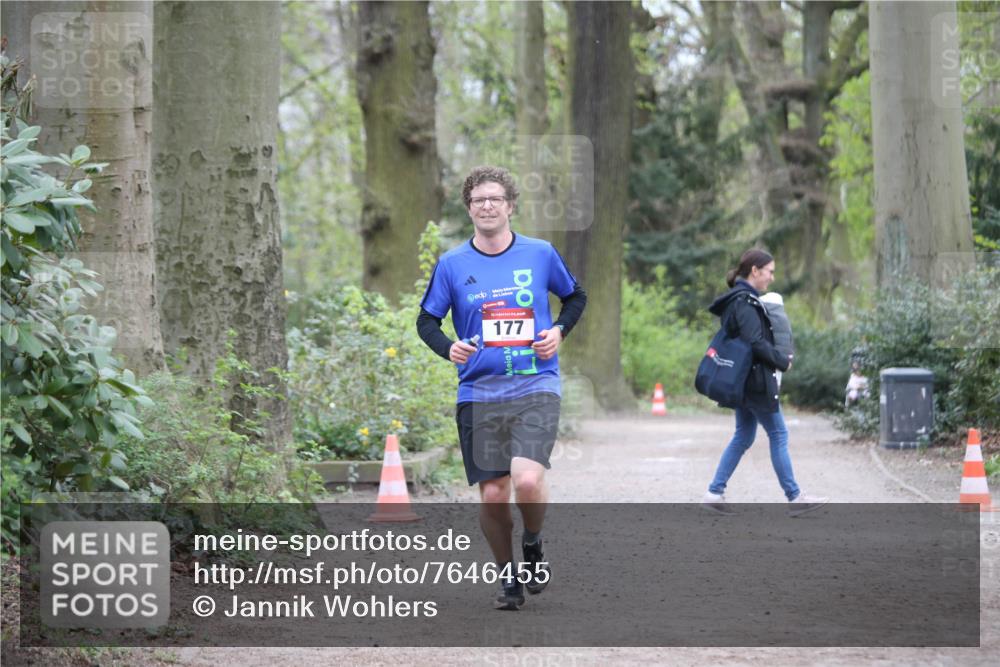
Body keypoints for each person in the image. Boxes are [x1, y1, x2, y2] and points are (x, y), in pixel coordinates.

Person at [416, 165, 587, 610]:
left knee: (527, 480)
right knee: (494, 493)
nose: (487, 206)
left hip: (535, 383)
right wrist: (448, 347)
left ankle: (532, 542)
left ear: (510, 206)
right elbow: (426, 321)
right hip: (479, 391)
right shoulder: (453, 264)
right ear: (469, 208)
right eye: (478, 200)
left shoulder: (540, 253)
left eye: (494, 199)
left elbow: (575, 296)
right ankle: (508, 576)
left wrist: (560, 331)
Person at [700, 249, 828, 517]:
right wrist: (782, 361)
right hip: (755, 381)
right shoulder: (745, 302)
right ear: (754, 271)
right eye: (769, 271)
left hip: (743, 380)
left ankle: (714, 491)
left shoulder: (740, 299)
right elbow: (755, 342)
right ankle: (795, 497)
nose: (772, 277)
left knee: (744, 436)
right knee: (778, 434)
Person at [758, 291, 793, 390]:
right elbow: (789, 339)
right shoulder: (784, 318)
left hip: (771, 356)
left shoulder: (767, 316)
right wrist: (788, 357)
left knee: (769, 388)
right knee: (775, 386)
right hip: (783, 358)